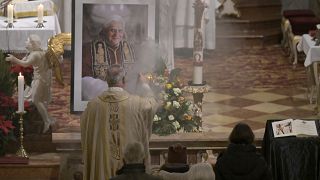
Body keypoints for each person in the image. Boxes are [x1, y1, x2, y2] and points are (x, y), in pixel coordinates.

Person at [81, 64, 158, 179]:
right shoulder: (136, 103)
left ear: (107, 80)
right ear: (123, 80)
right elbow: (152, 104)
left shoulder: (93, 106)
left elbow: (86, 134)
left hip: (103, 164)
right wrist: (144, 84)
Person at [6, 34, 54, 133]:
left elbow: (25, 64)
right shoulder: (39, 52)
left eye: (27, 40)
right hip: (42, 79)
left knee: (36, 100)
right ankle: (44, 118)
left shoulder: (34, 54)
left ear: (32, 44)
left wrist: (14, 59)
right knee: (35, 98)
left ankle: (46, 121)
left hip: (39, 80)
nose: (25, 42)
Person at [81, 15, 135, 100]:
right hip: (102, 94)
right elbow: (84, 79)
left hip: (127, 93)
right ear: (105, 31)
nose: (116, 34)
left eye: (120, 31)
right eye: (112, 30)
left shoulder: (130, 48)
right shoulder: (89, 49)